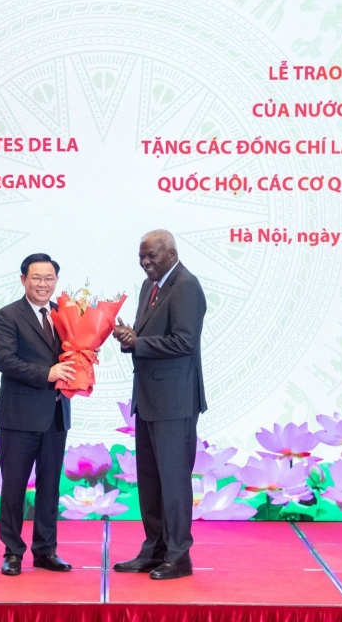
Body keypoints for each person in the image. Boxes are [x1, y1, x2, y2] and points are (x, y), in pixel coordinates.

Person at [111, 230, 207, 580]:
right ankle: (154, 550)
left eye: (152, 255)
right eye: (142, 256)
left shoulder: (186, 285)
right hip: (149, 399)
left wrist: (139, 342)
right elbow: (148, 337)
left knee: (174, 482)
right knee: (151, 481)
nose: (146, 262)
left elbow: (184, 342)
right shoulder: (148, 286)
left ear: (171, 254)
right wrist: (129, 339)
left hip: (176, 402)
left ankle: (178, 556)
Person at [0, 253, 77, 576]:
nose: (43, 284)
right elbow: (4, 360)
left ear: (56, 281)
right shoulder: (8, 316)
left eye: (49, 278)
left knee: (50, 487)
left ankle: (45, 551)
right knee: (14, 488)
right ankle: (12, 552)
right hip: (20, 416)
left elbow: (72, 353)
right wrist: (48, 373)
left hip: (55, 415)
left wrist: (85, 357)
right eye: (37, 278)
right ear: (23, 279)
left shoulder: (64, 315)